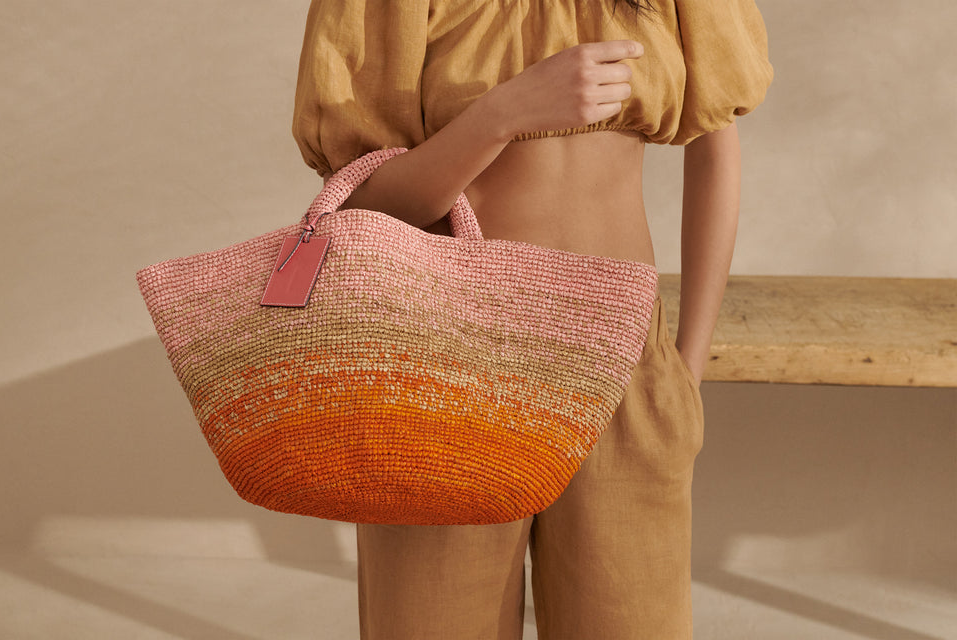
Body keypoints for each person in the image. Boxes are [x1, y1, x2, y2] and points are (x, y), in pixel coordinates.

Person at [292, 1, 773, 638]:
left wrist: (685, 368)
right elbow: (364, 207)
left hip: (624, 361)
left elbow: (716, 147)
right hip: (447, 366)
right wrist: (502, 114)